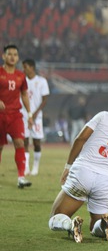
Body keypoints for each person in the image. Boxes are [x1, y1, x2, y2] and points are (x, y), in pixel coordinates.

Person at [48, 95, 108, 243]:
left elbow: (80, 139)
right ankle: (103, 225)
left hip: (83, 171)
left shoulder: (104, 116)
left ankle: (70, 225)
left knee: (55, 217)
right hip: (105, 181)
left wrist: (68, 166)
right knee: (95, 226)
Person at [0, 44, 33, 188]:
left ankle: (21, 177)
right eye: (9, 54)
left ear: (18, 58)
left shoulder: (21, 76)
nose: (12, 57)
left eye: (15, 54)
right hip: (0, 115)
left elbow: (24, 94)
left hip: (15, 115)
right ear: (3, 56)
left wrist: (30, 114)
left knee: (20, 143)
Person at [21, 58, 50, 176]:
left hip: (36, 117)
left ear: (32, 67)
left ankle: (36, 167)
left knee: (37, 142)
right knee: (25, 142)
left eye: (26, 67)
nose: (24, 70)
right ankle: (26, 167)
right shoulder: (22, 81)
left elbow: (44, 100)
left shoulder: (42, 81)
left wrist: (35, 113)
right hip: (24, 115)